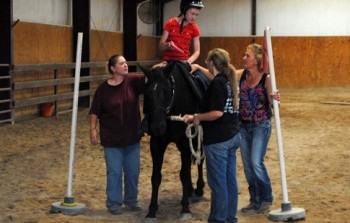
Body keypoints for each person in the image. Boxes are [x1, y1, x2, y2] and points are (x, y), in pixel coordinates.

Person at [184, 48, 241, 223]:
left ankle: (218, 218)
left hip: (218, 139)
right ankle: (230, 217)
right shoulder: (227, 80)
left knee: (218, 183)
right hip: (232, 135)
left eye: (207, 62)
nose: (206, 64)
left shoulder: (217, 83)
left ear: (212, 63)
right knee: (229, 179)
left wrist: (196, 117)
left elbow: (217, 113)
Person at [89, 54, 145, 215]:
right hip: (112, 139)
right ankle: (114, 203)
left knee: (133, 171)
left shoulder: (133, 81)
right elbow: (94, 111)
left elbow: (150, 77)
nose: (126, 65)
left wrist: (162, 66)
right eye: (122, 63)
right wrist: (93, 129)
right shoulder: (103, 90)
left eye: (126, 63)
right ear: (113, 68)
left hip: (132, 137)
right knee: (114, 172)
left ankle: (131, 200)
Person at [236, 43, 280, 214]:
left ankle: (266, 198)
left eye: (248, 56)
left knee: (255, 162)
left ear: (256, 60)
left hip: (261, 125)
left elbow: (273, 104)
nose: (244, 58)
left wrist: (275, 99)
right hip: (243, 125)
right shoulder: (240, 75)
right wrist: (196, 67)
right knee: (247, 166)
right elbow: (219, 74)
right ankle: (254, 200)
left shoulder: (266, 79)